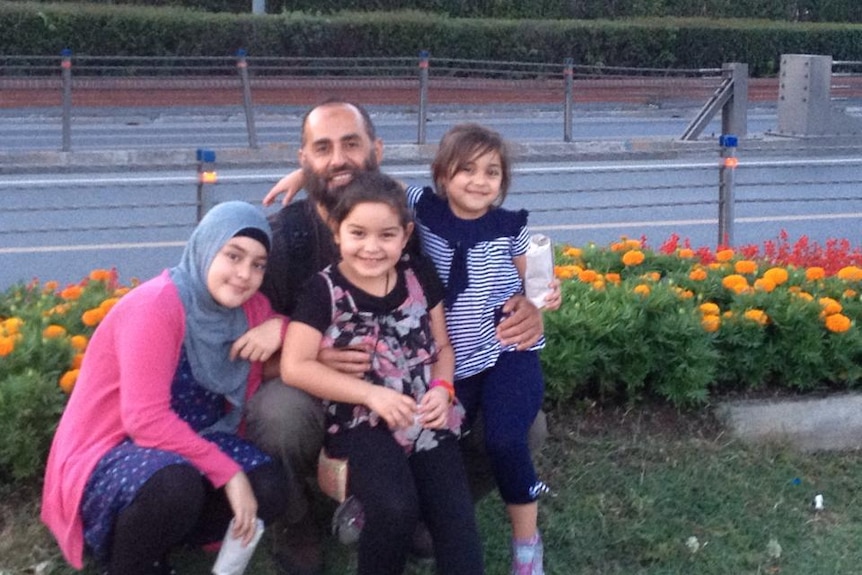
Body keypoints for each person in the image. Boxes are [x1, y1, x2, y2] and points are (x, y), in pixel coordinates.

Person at [248, 99, 551, 574]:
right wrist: (307, 347)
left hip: (415, 389)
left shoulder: (408, 228)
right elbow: (249, 350)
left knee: (522, 425)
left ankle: (427, 506)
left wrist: (532, 303)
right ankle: (297, 520)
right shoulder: (284, 236)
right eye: (322, 149)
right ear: (304, 158)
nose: (339, 158)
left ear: (377, 150)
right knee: (277, 413)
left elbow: (503, 264)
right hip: (331, 398)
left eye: (352, 143)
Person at [41, 201, 290, 575]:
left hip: (196, 440)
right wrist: (229, 474)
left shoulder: (250, 311)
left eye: (258, 264)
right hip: (118, 446)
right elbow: (145, 420)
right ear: (205, 247)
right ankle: (131, 561)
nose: (244, 274)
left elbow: (320, 339)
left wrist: (283, 328)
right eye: (233, 256)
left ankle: (160, 534)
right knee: (176, 485)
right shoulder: (157, 305)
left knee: (270, 486)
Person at [280, 170, 485, 575]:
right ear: (337, 232)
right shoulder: (323, 291)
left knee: (456, 520)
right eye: (358, 233)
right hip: (360, 424)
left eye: (386, 235)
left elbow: (443, 347)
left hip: (425, 417)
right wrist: (371, 395)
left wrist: (443, 388)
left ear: (405, 234)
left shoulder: (419, 276)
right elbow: (294, 365)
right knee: (395, 507)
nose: (372, 248)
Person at [404, 123, 554, 574]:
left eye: (492, 172)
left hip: (505, 351)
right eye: (466, 169)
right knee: (430, 435)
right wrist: (302, 175)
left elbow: (541, 284)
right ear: (442, 174)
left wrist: (540, 298)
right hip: (452, 359)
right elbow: (369, 180)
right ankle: (402, 514)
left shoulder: (512, 227)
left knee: (506, 439)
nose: (479, 180)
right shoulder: (423, 208)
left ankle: (527, 544)